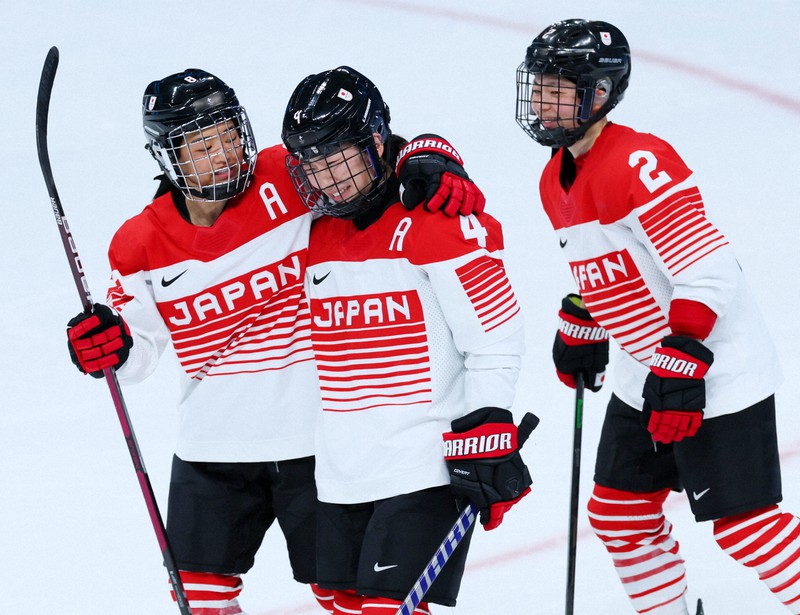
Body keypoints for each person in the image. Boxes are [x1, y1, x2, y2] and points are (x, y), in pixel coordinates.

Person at [65, 68, 485, 615]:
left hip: (314, 443)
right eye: (199, 147)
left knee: (347, 597)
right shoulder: (137, 243)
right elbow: (140, 351)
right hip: (210, 450)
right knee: (198, 597)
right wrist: (111, 347)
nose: (221, 156)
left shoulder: (286, 179)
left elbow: (366, 149)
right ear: (168, 158)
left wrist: (433, 153)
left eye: (227, 137)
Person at [515, 18, 800, 615]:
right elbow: (612, 270)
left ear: (599, 93)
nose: (542, 100)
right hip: (644, 373)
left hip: (715, 372)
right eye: (538, 85)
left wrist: (685, 356)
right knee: (618, 514)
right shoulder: (553, 178)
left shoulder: (639, 162)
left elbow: (708, 269)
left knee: (745, 528)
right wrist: (583, 320)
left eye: (557, 86)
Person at [280, 65, 535, 615]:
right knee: (338, 599)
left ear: (375, 142)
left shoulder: (434, 218)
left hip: (426, 467)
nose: (329, 178)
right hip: (342, 470)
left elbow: (495, 336)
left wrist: (489, 422)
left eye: (339, 157)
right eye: (314, 164)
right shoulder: (315, 230)